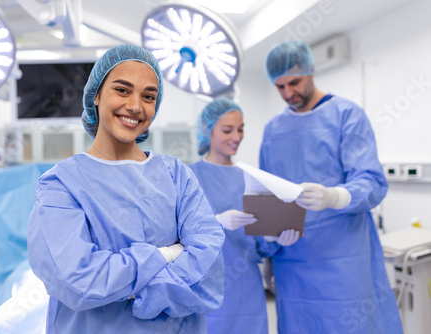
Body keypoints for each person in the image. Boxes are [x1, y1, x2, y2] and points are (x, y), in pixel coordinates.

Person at [27, 44, 225, 334]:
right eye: (122, 90)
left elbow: (208, 274)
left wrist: (133, 290)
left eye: (148, 96)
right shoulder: (61, 185)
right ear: (95, 95)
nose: (135, 106)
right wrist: (165, 256)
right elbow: (77, 281)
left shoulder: (177, 175)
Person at [259, 40, 403, 333]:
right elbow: (268, 194)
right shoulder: (273, 129)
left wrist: (335, 196)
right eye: (280, 87)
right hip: (293, 264)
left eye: (295, 82)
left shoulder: (346, 116)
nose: (289, 93)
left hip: (344, 260)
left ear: (311, 70)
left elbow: (372, 182)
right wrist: (269, 253)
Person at [189, 98, 299, 334]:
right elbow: (176, 235)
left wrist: (271, 240)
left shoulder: (250, 178)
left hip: (247, 286)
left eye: (241, 129)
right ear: (207, 131)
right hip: (207, 286)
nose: (237, 137)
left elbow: (258, 242)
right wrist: (216, 222)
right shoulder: (189, 176)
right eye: (227, 130)